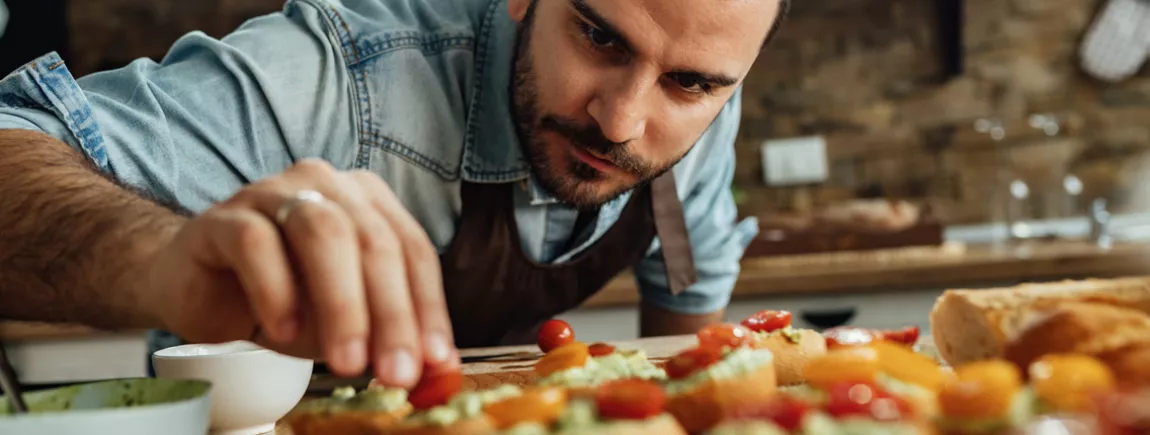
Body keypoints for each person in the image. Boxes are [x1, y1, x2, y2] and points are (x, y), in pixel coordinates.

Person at [0, 0, 787, 388]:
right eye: (599, 37)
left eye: (690, 84)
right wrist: (163, 255)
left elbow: (690, 296)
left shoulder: (706, 87)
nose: (621, 121)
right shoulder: (340, 77)